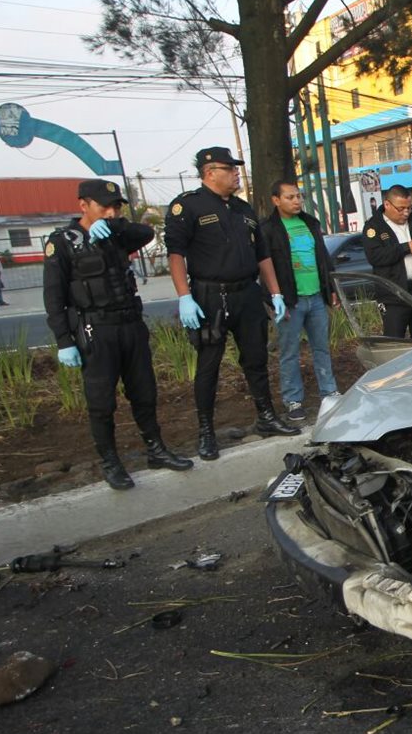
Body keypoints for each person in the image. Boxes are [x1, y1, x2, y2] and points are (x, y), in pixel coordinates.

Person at [43, 179, 193, 489]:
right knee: (101, 402)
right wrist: (63, 341)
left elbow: (147, 233)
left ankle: (156, 449)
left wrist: (115, 227)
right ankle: (110, 461)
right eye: (104, 207)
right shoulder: (63, 242)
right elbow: (54, 298)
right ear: (83, 205)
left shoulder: (118, 234)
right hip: (95, 330)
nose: (111, 212)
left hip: (130, 325)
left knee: (144, 392)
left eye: (116, 207)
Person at [165, 146, 299, 462]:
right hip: (210, 296)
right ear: (210, 172)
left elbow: (262, 255)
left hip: (247, 294)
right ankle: (206, 432)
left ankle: (266, 417)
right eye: (231, 169)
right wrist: (184, 296)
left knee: (255, 359)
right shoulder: (189, 207)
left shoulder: (243, 209)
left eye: (237, 168)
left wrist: (275, 292)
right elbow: (175, 255)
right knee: (209, 365)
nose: (237, 173)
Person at [259, 180, 340, 423]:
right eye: (290, 197)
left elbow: (323, 258)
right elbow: (264, 265)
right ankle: (293, 400)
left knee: (321, 348)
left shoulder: (310, 223)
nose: (296, 201)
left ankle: (329, 391)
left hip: (315, 297)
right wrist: (274, 299)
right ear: (276, 200)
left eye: (298, 196)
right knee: (289, 352)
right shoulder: (268, 229)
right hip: (289, 301)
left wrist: (331, 289)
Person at [361, 184, 412, 339]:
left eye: (409, 208)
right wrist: (407, 248)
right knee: (394, 339)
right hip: (394, 295)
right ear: (387, 205)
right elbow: (375, 257)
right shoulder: (374, 226)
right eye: (401, 208)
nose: (405, 213)